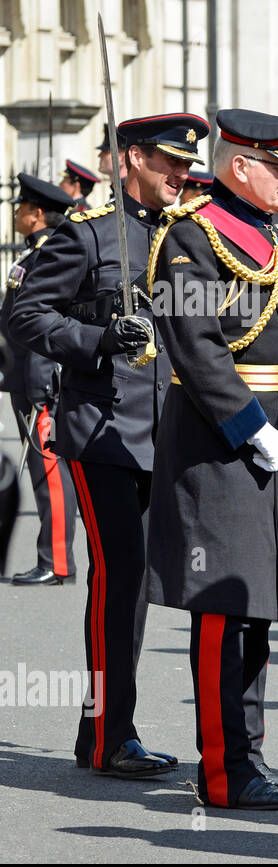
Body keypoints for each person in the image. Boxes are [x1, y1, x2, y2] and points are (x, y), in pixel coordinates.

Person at [9, 113, 209, 778]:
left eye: (186, 165)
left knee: (143, 584)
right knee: (117, 580)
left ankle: (113, 729)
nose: (180, 175)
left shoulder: (185, 236)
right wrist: (96, 340)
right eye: (168, 164)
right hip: (104, 434)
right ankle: (105, 736)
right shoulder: (88, 236)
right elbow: (27, 314)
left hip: (168, 434)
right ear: (131, 160)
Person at [145, 108, 278, 810]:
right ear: (239, 165)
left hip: (275, 440)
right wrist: (252, 427)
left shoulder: (268, 234)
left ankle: (248, 754)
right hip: (222, 446)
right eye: (277, 168)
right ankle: (224, 770)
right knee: (223, 607)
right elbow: (194, 344)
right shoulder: (192, 233)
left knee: (255, 608)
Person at [0, 174, 78, 586]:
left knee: (50, 472)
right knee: (39, 470)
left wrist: (42, 382)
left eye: (20, 207)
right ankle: (50, 557)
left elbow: (46, 328)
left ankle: (58, 562)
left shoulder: (48, 259)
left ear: (35, 214)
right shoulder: (32, 256)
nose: (15, 213)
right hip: (23, 379)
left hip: (39, 382)